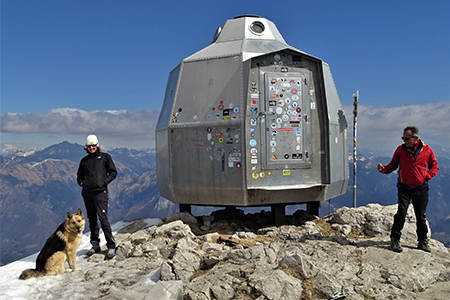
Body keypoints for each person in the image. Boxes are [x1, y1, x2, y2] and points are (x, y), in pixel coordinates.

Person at [377, 126, 439, 253]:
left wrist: (427, 176)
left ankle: (422, 241)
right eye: (403, 138)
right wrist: (383, 169)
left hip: (421, 189)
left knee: (421, 216)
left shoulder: (427, 151)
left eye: (406, 138)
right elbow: (393, 164)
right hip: (404, 188)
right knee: (401, 214)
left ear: (415, 138)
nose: (404, 141)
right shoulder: (400, 150)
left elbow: (434, 166)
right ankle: (395, 240)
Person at [77, 134, 118, 259]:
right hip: (87, 193)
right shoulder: (84, 161)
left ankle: (111, 246)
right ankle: (95, 244)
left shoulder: (105, 158)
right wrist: (82, 183)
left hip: (100, 193)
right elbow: (79, 176)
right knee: (92, 219)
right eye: (89, 146)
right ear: (86, 147)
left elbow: (113, 172)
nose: (91, 148)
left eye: (93, 146)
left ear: (97, 146)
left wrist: (103, 182)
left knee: (103, 218)